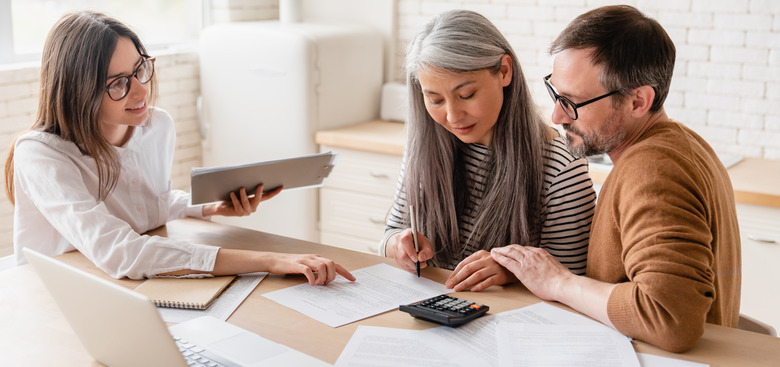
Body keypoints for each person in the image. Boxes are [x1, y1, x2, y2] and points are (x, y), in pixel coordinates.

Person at [4, 11, 355, 284]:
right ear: (76, 90)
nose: (141, 91)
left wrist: (208, 207)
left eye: (140, 69)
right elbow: (121, 251)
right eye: (119, 84)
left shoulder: (156, 127)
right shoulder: (41, 154)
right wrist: (268, 261)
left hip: (120, 287)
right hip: (53, 294)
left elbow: (144, 209)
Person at [491, 5, 741, 353]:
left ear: (638, 101)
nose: (557, 115)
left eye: (572, 101)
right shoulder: (684, 144)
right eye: (555, 93)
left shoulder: (652, 170)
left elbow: (670, 319)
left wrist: (558, 281)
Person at [380, 9, 596, 292]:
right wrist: (399, 245)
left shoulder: (561, 167)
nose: (453, 116)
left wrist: (512, 271)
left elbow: (572, 280)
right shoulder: (425, 147)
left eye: (466, 95)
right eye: (434, 100)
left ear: (504, 71)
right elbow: (389, 235)